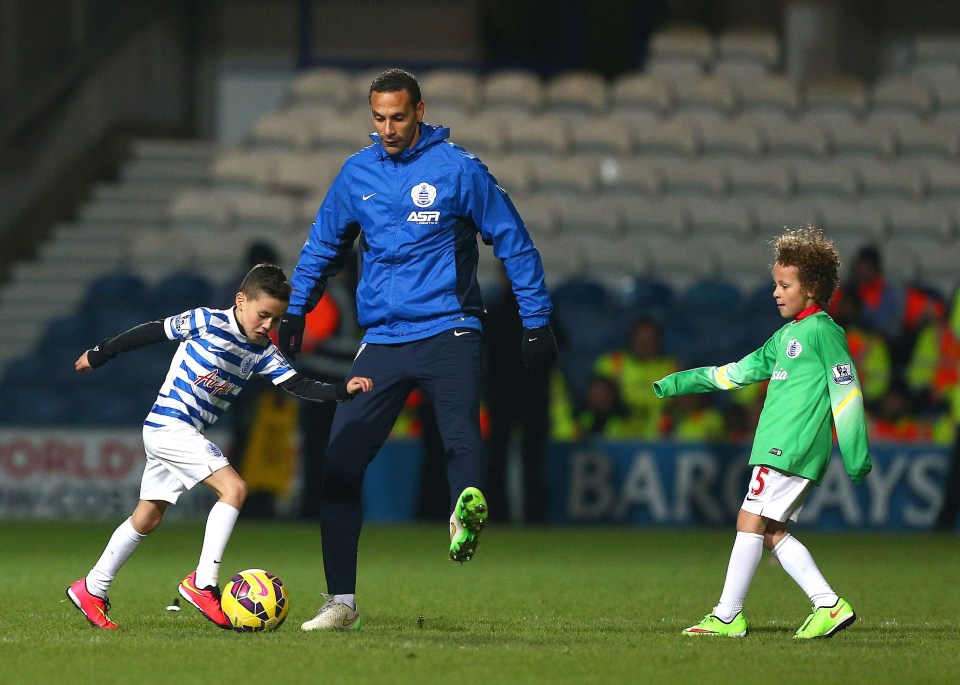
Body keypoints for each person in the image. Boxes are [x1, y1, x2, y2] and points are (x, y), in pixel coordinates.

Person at [276, 68, 558, 632]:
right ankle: (341, 602)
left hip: (450, 328)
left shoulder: (459, 169)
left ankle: (465, 509)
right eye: (378, 118)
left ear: (420, 111)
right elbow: (320, 247)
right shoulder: (356, 173)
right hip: (381, 339)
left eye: (398, 117)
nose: (388, 128)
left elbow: (514, 241)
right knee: (339, 466)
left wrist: (536, 321)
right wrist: (295, 310)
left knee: (458, 430)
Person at [65, 263, 373, 630]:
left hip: (182, 433)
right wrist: (100, 353)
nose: (267, 326)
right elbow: (149, 333)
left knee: (147, 517)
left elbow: (299, 385)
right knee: (235, 489)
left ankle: (92, 588)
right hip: (170, 427)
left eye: (275, 320)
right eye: (263, 315)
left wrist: (342, 390)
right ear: (240, 301)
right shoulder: (206, 321)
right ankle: (203, 584)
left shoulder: (262, 352)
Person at [653, 227, 872, 639]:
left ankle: (727, 615)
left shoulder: (823, 332)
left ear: (811, 289)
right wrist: (679, 382)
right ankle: (828, 604)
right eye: (775, 283)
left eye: (784, 285)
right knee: (771, 531)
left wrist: (856, 452)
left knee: (748, 519)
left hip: (789, 447)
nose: (775, 292)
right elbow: (735, 374)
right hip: (778, 447)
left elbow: (846, 393)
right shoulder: (786, 336)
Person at [482, 266, 551, 524]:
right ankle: (535, 517)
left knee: (497, 459)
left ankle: (498, 516)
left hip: (502, 393)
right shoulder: (541, 310)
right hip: (532, 392)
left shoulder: (496, 310)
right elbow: (560, 342)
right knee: (532, 459)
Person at [593, 317, 678, 440]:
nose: (645, 345)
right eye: (640, 340)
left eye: (650, 341)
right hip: (614, 437)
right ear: (631, 339)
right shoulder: (613, 362)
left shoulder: (671, 367)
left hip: (660, 439)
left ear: (658, 341)